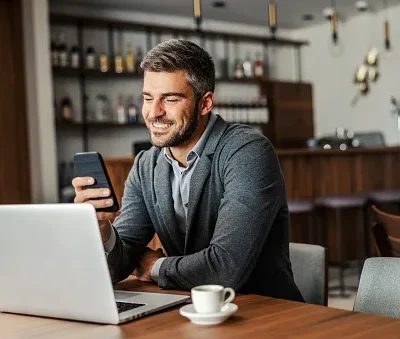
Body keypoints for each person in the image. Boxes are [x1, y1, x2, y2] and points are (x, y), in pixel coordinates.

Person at [73, 39, 304, 302]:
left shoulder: (248, 151)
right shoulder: (146, 165)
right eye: (148, 98)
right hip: (188, 310)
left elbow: (226, 269)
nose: (153, 113)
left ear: (205, 103)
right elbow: (122, 259)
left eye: (170, 99)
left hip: (267, 313)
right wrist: (103, 230)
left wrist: (155, 267)